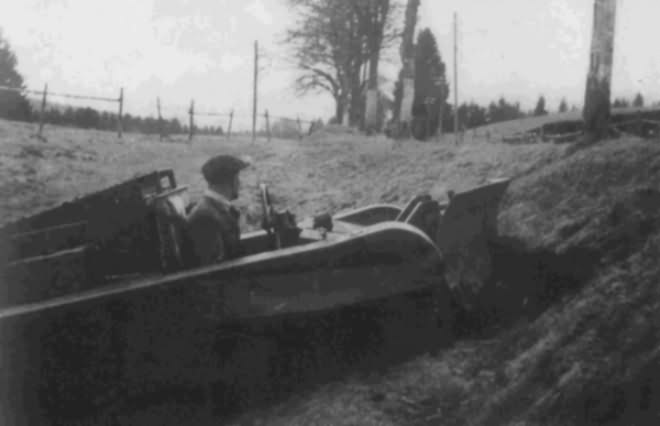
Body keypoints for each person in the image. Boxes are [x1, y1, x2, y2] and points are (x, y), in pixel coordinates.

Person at [185, 154, 249, 266]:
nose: (240, 183)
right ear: (231, 181)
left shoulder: (213, 208)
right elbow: (212, 273)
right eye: (238, 178)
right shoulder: (205, 217)